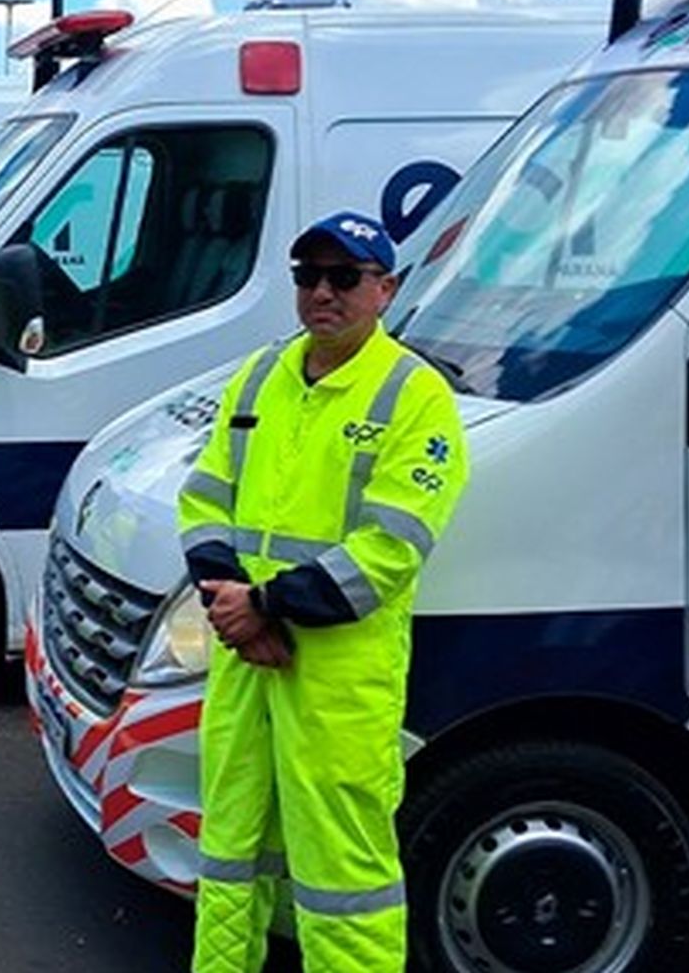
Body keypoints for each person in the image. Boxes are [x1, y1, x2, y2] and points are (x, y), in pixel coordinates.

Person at [178, 212, 468, 973]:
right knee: (231, 850)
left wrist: (264, 606)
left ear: (386, 290)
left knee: (345, 874)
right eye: (308, 275)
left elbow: (391, 548)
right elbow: (203, 499)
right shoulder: (260, 375)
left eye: (345, 277)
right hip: (247, 661)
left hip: (339, 677)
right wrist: (234, 607)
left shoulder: (415, 396)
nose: (323, 293)